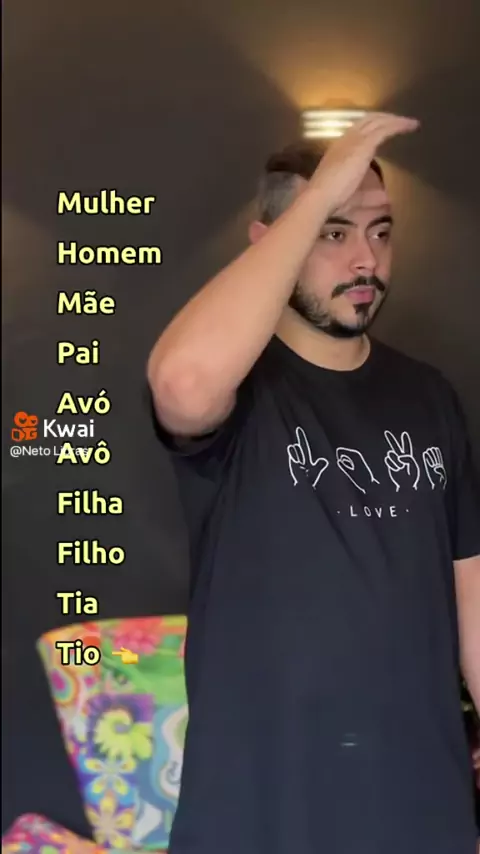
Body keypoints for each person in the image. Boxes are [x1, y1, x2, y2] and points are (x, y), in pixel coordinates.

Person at [147, 114, 480, 854]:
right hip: (261, 809)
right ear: (271, 241)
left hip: (418, 802)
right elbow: (181, 381)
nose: (367, 258)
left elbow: (473, 598)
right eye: (334, 231)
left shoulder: (429, 397)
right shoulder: (238, 393)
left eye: (381, 231)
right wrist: (325, 186)